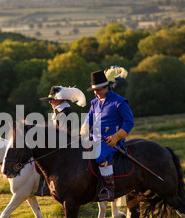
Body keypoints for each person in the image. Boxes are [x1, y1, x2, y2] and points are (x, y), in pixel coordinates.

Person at [81, 69, 134, 202]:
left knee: (100, 154)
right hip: (95, 136)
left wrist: (116, 137)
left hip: (111, 139)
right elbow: (88, 120)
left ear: (107, 87)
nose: (96, 92)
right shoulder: (94, 103)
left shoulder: (120, 102)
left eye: (98, 89)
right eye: (94, 90)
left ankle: (109, 190)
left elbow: (129, 122)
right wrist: (83, 132)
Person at [34, 86, 86, 196]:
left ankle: (48, 186)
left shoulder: (64, 113)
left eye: (52, 100)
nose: (50, 103)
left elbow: (63, 135)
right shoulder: (58, 112)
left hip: (69, 146)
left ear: (60, 99)